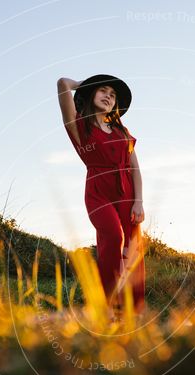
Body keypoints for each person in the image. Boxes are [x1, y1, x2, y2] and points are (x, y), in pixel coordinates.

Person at [56, 74, 146, 320]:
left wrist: (139, 200)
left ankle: (132, 309)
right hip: (97, 190)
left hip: (127, 191)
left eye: (113, 94)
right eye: (103, 91)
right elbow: (63, 83)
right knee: (112, 236)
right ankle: (105, 305)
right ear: (91, 94)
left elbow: (135, 167)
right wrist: (83, 87)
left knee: (133, 246)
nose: (109, 96)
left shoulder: (121, 130)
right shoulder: (78, 125)